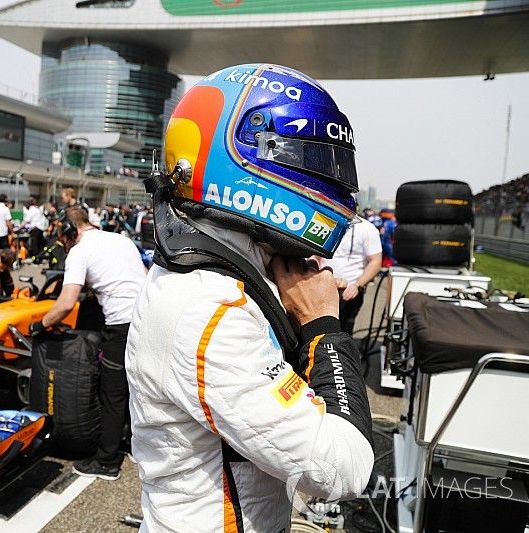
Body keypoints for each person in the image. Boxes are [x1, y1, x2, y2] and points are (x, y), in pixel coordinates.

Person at [126, 64, 374, 531]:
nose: (331, 181)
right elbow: (345, 468)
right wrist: (323, 328)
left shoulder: (219, 272)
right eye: (314, 161)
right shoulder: (210, 306)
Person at [31, 207, 146, 481]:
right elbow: (143, 274)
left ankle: (106, 462)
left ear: (70, 232)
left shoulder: (79, 251)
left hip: (121, 322)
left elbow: (66, 302)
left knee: (113, 392)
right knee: (136, 387)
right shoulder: (120, 239)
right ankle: (132, 443)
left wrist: (42, 324)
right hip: (148, 317)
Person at [323, 216, 383, 335]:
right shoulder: (325, 220)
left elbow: (376, 262)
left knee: (343, 331)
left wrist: (357, 285)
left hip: (349, 291)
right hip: (323, 287)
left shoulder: (367, 229)